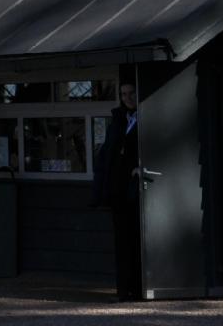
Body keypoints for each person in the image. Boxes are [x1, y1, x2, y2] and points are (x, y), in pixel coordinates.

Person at [91, 79, 142, 301]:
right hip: (118, 190)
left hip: (138, 189)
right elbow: (108, 156)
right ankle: (125, 289)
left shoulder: (146, 117)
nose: (127, 97)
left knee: (138, 240)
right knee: (123, 242)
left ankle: (139, 287)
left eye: (131, 93)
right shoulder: (118, 120)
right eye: (123, 94)